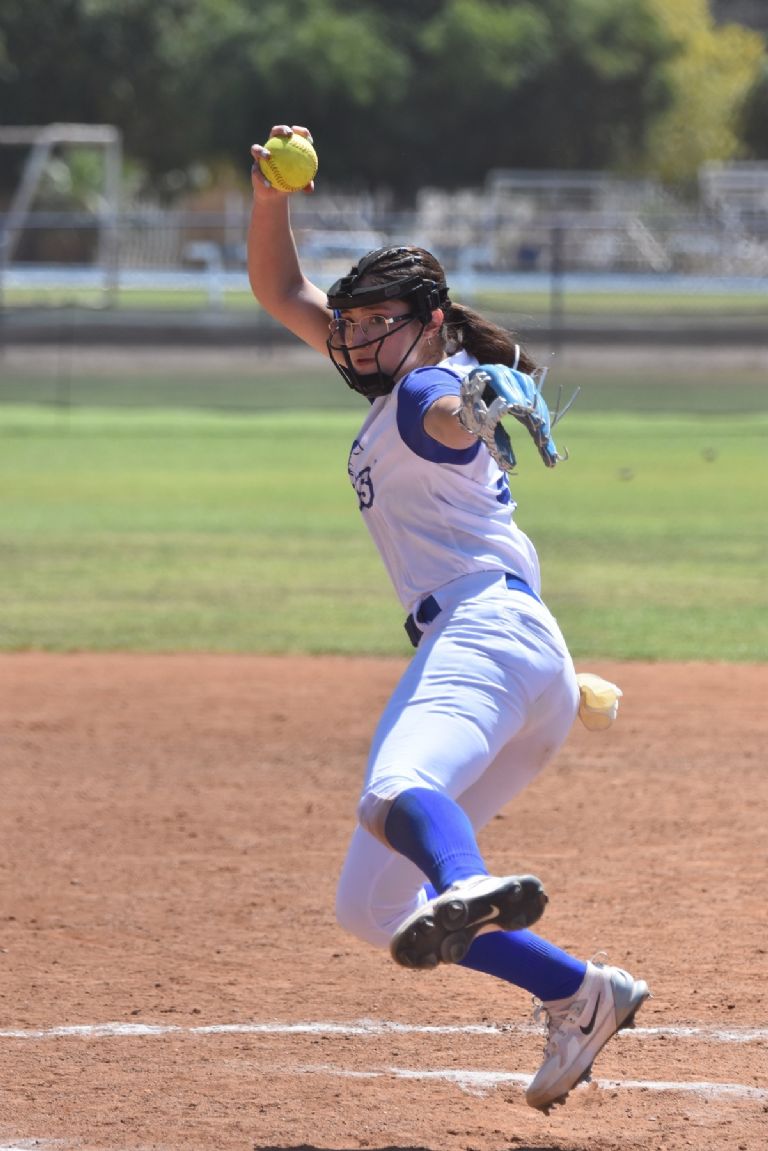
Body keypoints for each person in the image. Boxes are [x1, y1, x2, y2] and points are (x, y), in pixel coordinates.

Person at [247, 123, 650, 1114]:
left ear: (427, 322)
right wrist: (268, 196)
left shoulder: (426, 384)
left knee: (398, 787)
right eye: (347, 324)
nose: (347, 336)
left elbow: (448, 404)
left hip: (486, 634)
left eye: (371, 320)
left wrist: (475, 395)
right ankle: (579, 991)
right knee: (372, 902)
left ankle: (469, 882)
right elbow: (279, 294)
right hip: (517, 655)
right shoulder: (398, 383)